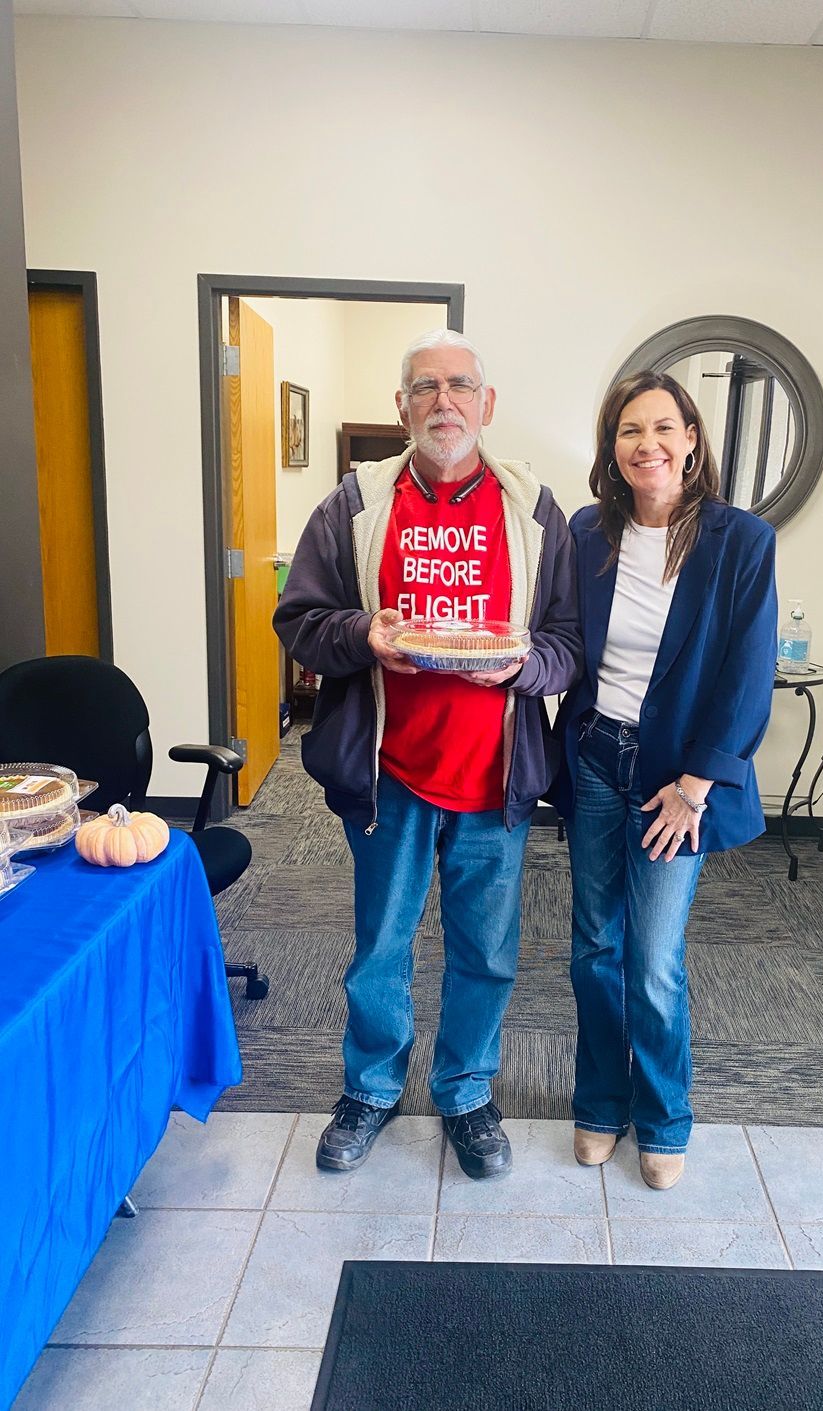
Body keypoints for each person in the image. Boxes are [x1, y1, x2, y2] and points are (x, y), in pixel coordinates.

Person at [274, 330, 581, 1180]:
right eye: (424, 387)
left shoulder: (533, 512)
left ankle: (465, 1089)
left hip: (494, 782)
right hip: (389, 778)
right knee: (381, 946)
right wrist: (363, 634)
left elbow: (566, 641)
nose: (442, 400)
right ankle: (370, 1088)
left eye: (459, 386)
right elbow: (297, 620)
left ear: (487, 405)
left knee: (485, 953)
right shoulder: (355, 505)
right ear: (400, 406)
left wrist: (523, 665)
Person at [550, 370, 777, 1190]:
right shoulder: (586, 531)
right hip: (595, 760)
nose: (646, 443)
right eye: (627, 430)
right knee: (593, 948)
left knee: (651, 956)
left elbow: (748, 675)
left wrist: (695, 784)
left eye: (662, 428)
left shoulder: (739, 540)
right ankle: (600, 1103)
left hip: (673, 781)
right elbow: (563, 641)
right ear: (610, 449)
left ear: (690, 440)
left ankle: (665, 1114)